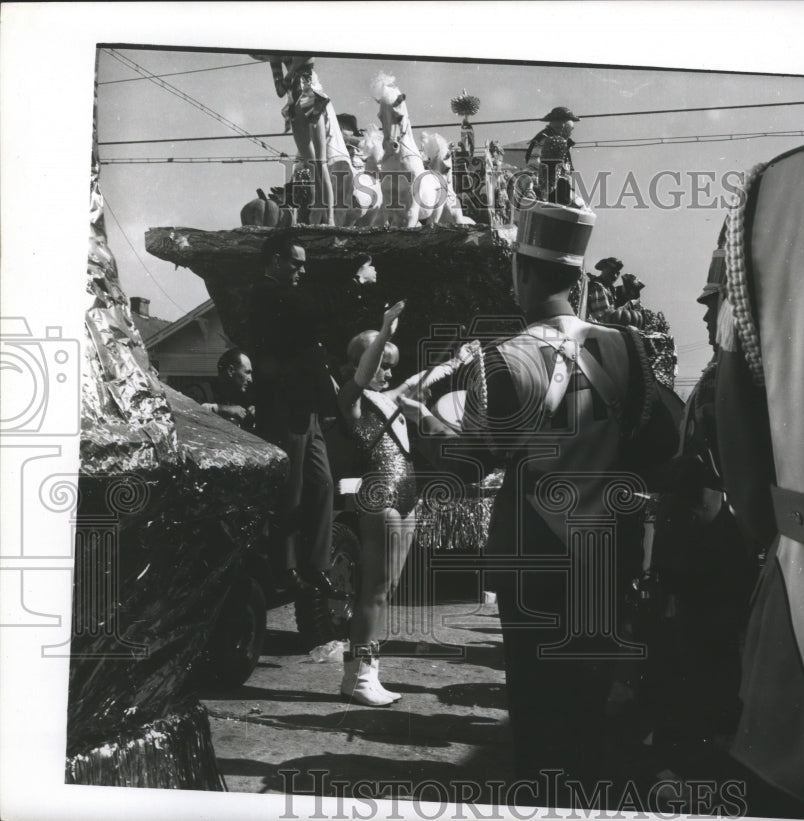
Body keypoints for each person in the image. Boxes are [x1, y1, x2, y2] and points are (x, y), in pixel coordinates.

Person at [398, 196, 676, 807]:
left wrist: (426, 424)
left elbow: (470, 465)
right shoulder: (628, 345)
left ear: (520, 272)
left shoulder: (503, 359)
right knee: (590, 705)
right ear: (577, 277)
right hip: (607, 548)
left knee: (538, 709)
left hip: (535, 556)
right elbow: (661, 443)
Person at [647, 224, 756, 773]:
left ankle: (697, 766)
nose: (706, 318)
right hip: (700, 542)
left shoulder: (726, 379)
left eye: (713, 307)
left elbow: (714, 469)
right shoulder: (719, 374)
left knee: (705, 659)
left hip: (712, 546)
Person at [247, 234, 339, 594]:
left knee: (323, 484)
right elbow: (307, 316)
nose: (302, 270)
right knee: (292, 490)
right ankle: (284, 568)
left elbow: (313, 358)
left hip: (307, 411)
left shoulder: (289, 297)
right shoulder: (265, 294)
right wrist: (352, 283)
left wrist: (326, 408)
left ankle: (316, 564)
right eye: (295, 263)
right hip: (286, 410)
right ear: (273, 261)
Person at [335, 300, 413, 707]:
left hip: (404, 495)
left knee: (388, 589)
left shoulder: (388, 398)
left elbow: (418, 382)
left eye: (391, 364)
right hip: (380, 494)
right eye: (383, 362)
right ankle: (361, 677)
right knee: (374, 591)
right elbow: (365, 375)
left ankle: (364, 673)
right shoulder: (352, 397)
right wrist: (384, 330)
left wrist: (458, 361)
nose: (388, 371)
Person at [260, 55, 335, 224]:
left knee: (320, 163)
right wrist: (292, 70)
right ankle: (320, 216)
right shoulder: (275, 58)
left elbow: (308, 58)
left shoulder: (300, 47)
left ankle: (330, 219)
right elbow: (280, 91)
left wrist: (292, 69)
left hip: (312, 99)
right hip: (296, 105)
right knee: (312, 165)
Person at [202, 348, 255, 431]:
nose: (250, 379)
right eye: (247, 372)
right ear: (231, 370)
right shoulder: (200, 391)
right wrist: (223, 409)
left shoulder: (241, 397)